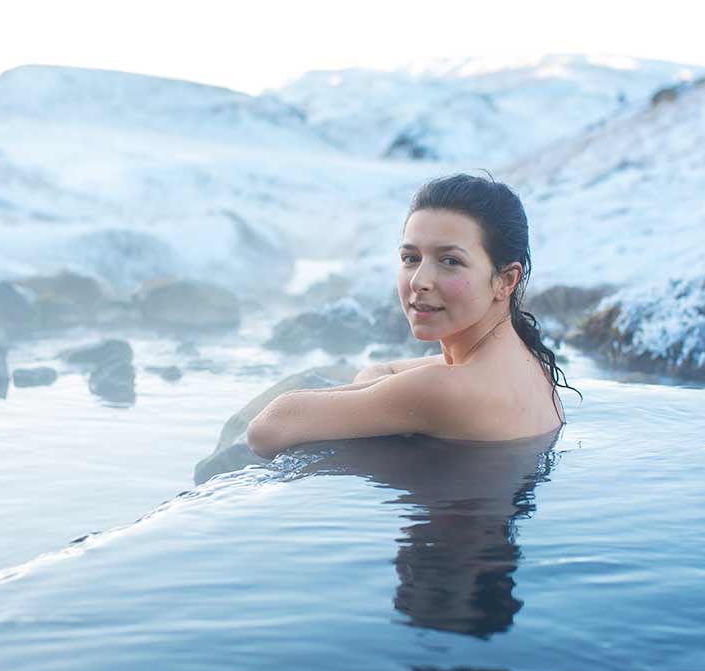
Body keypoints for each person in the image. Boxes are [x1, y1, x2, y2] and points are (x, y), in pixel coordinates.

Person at [246, 172, 578, 458]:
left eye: (450, 261)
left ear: (505, 280)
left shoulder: (442, 391)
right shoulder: (530, 363)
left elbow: (268, 428)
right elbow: (392, 370)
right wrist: (386, 392)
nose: (420, 281)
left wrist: (384, 395)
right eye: (410, 258)